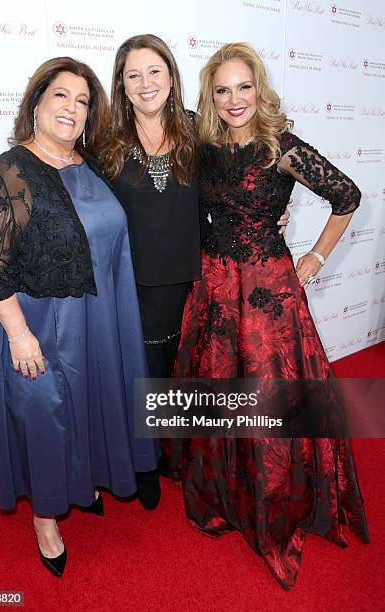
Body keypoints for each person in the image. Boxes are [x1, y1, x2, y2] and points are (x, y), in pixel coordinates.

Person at [167, 43, 369, 589]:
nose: (235, 99)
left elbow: (347, 196)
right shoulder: (204, 148)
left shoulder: (283, 148)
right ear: (211, 96)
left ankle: (273, 502)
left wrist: (313, 257)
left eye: (244, 87)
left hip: (265, 292)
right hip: (213, 288)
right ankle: (223, 492)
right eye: (222, 90)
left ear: (261, 89)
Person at [0, 57, 159, 577]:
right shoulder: (6, 175)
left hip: (95, 317)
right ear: (36, 102)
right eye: (61, 96)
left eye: (82, 101)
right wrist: (19, 335)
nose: (72, 109)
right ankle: (46, 521)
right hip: (37, 323)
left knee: (90, 405)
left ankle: (84, 482)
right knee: (47, 417)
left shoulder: (88, 164)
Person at [99, 34, 291, 507]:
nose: (146, 83)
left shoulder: (196, 131)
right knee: (140, 375)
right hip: (133, 282)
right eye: (133, 75)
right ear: (121, 85)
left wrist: (264, 213)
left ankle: (172, 454)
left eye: (155, 71)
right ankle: (142, 463)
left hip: (197, 276)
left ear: (171, 76)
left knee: (182, 373)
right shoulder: (106, 144)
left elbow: (238, 177)